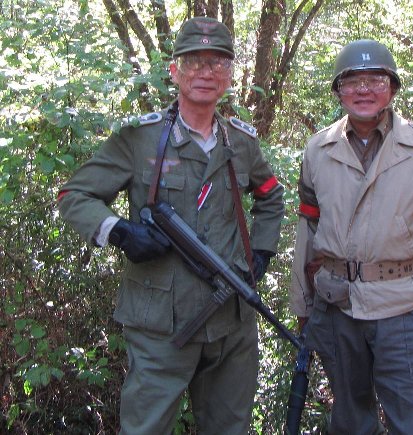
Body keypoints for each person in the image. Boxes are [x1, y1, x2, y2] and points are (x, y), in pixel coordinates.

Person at [57, 17, 284, 435]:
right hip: (160, 322)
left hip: (231, 320)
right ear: (174, 71)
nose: (205, 72)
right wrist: (119, 232)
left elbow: (270, 196)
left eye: (217, 63)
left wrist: (261, 252)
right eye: (194, 62)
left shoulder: (241, 143)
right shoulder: (139, 139)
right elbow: (75, 195)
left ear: (228, 76)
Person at [289, 39, 413, 434]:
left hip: (405, 309)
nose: (364, 90)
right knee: (350, 422)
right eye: (352, 81)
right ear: (338, 90)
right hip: (337, 307)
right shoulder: (318, 150)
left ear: (392, 88)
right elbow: (308, 229)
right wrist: (302, 303)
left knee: (411, 424)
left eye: (375, 79)